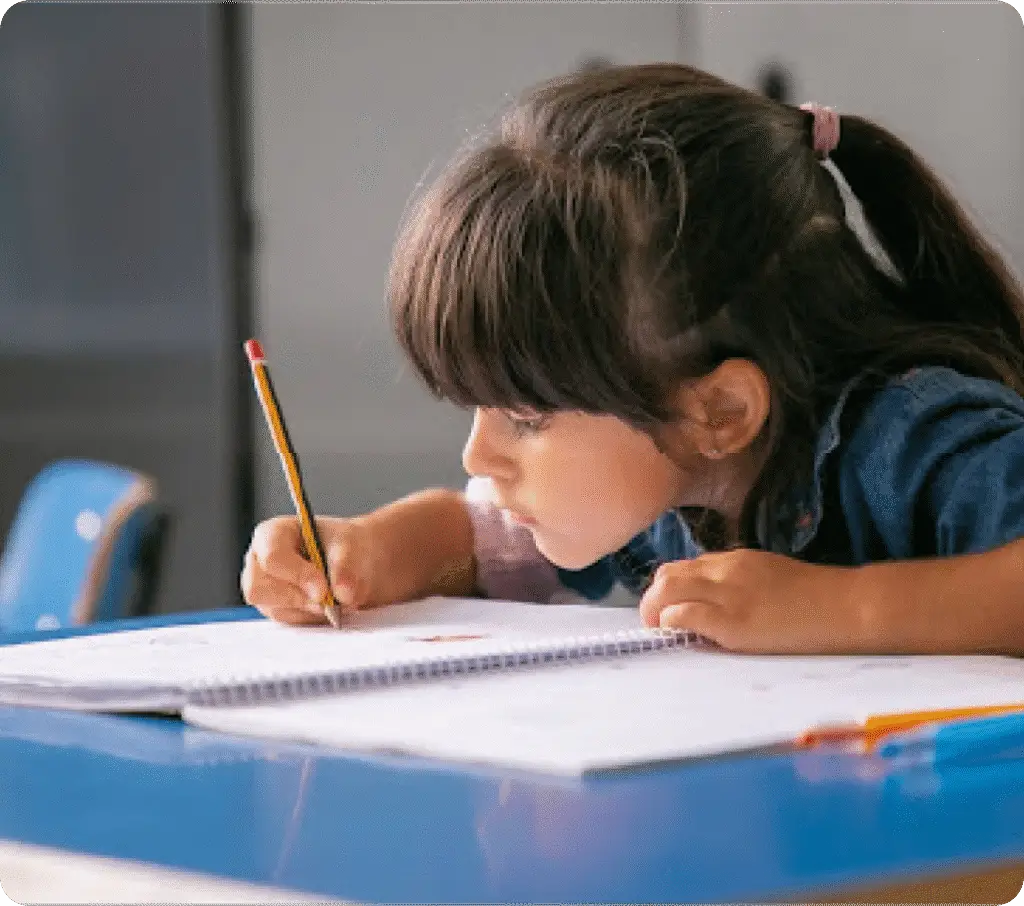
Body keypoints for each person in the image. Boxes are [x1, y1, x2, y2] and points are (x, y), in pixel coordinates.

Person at [241, 63, 1024, 655]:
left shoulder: (913, 437)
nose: (478, 453)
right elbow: (484, 542)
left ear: (718, 410)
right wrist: (365, 552)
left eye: (525, 417)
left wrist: (840, 610)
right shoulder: (663, 481)